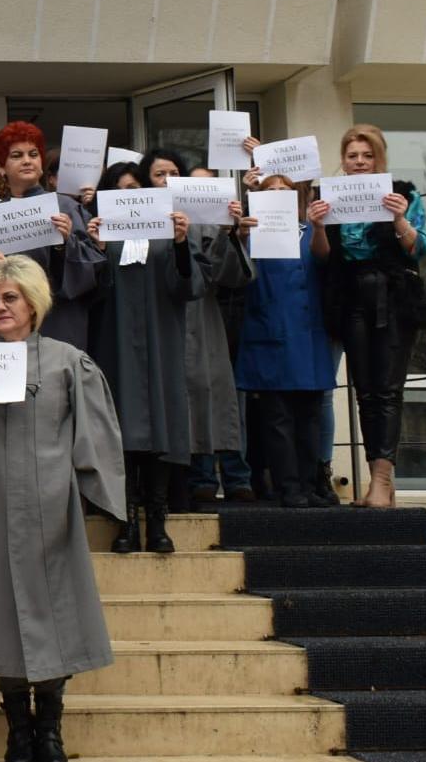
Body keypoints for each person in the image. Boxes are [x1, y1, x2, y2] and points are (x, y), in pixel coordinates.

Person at [0, 257, 124, 762]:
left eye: (10, 298)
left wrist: (99, 497)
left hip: (50, 506)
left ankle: (50, 728)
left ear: (33, 304)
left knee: (54, 616)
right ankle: (17, 731)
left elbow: (95, 433)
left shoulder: (68, 362)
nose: (1, 308)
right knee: (1, 615)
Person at [314, 124, 426, 508]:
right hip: (350, 296)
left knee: (387, 389)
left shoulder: (404, 193)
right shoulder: (329, 197)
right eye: (353, 156)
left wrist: (400, 220)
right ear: (344, 161)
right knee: (365, 391)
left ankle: (382, 479)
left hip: (393, 297)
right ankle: (377, 481)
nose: (360, 162)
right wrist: (318, 224)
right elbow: (324, 256)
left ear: (379, 158)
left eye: (367, 155)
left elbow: (420, 248)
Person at [86, 161, 201, 554]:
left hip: (159, 343)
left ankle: (157, 518)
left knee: (161, 426)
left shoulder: (167, 235)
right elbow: (90, 293)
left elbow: (187, 287)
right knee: (119, 429)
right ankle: (125, 520)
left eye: (135, 187)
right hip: (114, 343)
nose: (128, 195)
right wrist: (97, 251)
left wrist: (183, 243)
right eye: (118, 190)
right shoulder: (102, 235)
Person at [144, 152, 254, 514]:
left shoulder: (203, 223)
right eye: (160, 174)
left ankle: (215, 479)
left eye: (174, 173)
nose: (167, 179)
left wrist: (230, 234)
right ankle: (189, 480)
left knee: (206, 393)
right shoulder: (139, 218)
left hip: (201, 320)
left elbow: (230, 276)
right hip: (157, 320)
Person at [237, 174, 337, 507]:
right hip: (269, 334)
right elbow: (237, 273)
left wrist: (319, 226)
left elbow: (323, 260)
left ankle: (310, 485)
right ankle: (288, 486)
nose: (278, 194)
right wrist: (240, 234)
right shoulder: (252, 233)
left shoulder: (310, 229)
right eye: (271, 190)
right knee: (277, 418)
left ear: (297, 195)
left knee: (310, 416)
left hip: (308, 336)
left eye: (285, 190)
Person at [0, 121, 102, 352]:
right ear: (2, 167)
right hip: (6, 327)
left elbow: (94, 275)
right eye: (17, 155)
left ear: (42, 164)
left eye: (33, 154)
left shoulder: (66, 208)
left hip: (58, 322)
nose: (27, 160)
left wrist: (65, 245)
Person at [183, 165, 258, 505]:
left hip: (218, 318)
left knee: (223, 396)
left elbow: (230, 276)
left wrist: (232, 235)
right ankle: (202, 476)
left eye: (207, 187)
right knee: (196, 395)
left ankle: (235, 475)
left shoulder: (221, 225)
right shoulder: (178, 225)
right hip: (183, 318)